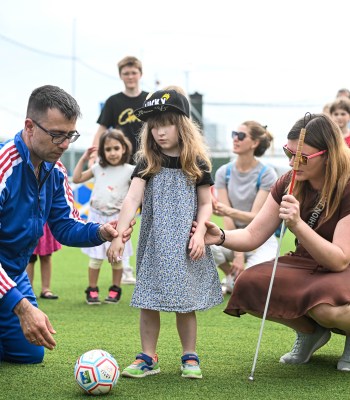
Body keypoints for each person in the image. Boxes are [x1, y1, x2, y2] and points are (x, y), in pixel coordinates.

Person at [198, 113, 350, 372]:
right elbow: (252, 235)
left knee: (325, 308)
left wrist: (298, 225)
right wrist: (220, 237)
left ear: (328, 154)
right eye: (288, 153)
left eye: (301, 157)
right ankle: (311, 333)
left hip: (341, 267)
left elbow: (339, 260)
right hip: (307, 262)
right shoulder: (288, 182)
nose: (292, 162)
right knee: (249, 284)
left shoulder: (346, 185)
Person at [0, 85, 133, 364]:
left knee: (29, 355)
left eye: (70, 135)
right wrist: (22, 307)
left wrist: (100, 232)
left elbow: (65, 225)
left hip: (12, 274)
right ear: (29, 126)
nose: (64, 145)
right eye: (56, 135)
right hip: (6, 280)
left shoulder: (56, 171)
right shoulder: (4, 166)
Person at [107, 87, 223, 379]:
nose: (159, 132)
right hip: (155, 243)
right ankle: (147, 357)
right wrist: (120, 236)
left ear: (181, 124)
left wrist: (198, 235)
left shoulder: (196, 161)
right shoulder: (147, 161)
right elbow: (132, 200)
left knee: (185, 303)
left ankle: (190, 356)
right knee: (148, 300)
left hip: (187, 243)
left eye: (166, 124)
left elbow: (207, 203)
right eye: (154, 126)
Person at [89, 55, 147, 285]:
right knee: (124, 213)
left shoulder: (149, 99)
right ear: (121, 75)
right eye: (126, 73)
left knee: (146, 215)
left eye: (134, 72)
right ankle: (125, 267)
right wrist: (94, 152)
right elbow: (102, 129)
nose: (130, 77)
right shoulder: (113, 102)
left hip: (145, 164)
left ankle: (141, 264)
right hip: (120, 167)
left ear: (140, 74)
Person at [211, 122, 278, 294]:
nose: (235, 139)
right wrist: (238, 253)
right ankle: (231, 275)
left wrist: (227, 211)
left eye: (241, 136)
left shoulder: (267, 173)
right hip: (233, 237)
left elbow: (256, 217)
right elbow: (227, 219)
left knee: (254, 285)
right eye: (234, 134)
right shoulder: (223, 172)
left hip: (260, 236)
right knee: (200, 244)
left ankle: (242, 279)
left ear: (254, 143)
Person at [72, 129, 135, 305]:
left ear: (124, 149)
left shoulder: (131, 170)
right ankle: (92, 289)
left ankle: (115, 289)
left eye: (116, 148)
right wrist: (84, 159)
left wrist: (130, 217)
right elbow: (77, 179)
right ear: (102, 152)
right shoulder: (98, 168)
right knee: (95, 258)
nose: (112, 153)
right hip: (97, 218)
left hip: (118, 220)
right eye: (108, 149)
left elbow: (139, 195)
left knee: (117, 258)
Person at [26, 223, 61, 300]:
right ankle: (29, 290)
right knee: (30, 259)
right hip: (30, 224)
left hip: (46, 224)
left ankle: (46, 289)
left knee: (47, 256)